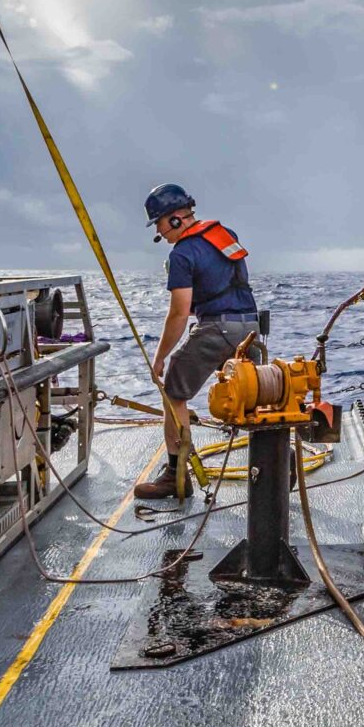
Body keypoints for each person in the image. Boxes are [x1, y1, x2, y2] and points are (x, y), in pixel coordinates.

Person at [135, 182, 259, 500]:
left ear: (175, 218)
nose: (159, 234)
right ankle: (275, 462)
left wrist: (160, 358)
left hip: (217, 330)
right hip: (250, 328)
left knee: (173, 392)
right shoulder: (224, 233)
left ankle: (176, 477)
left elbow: (178, 314)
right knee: (256, 399)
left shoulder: (182, 254)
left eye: (160, 224)